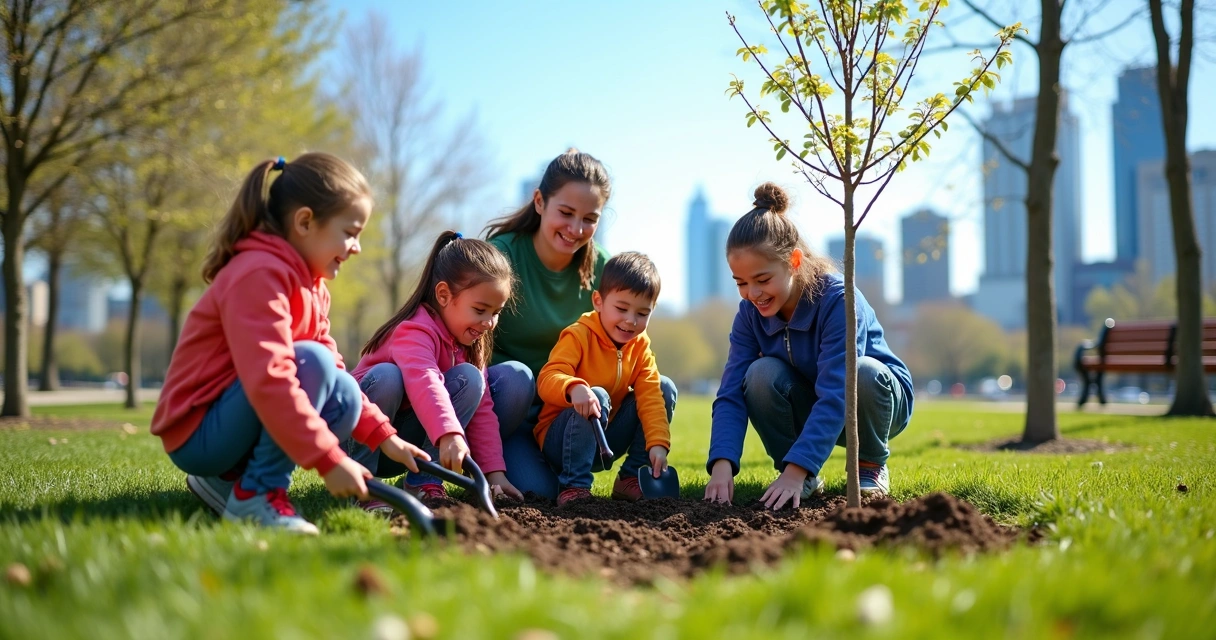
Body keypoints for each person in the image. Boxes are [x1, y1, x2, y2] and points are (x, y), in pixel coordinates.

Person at [151, 153, 429, 535]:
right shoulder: (258, 274)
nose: (357, 247)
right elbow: (272, 379)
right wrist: (329, 459)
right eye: (350, 232)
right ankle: (257, 495)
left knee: (345, 393)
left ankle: (228, 483)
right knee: (312, 362)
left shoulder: (313, 288)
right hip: (198, 433)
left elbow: (333, 369)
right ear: (305, 222)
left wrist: (385, 437)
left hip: (232, 421)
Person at [704, 183, 914, 510]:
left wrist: (798, 468)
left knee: (861, 371)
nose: (752, 293)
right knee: (759, 374)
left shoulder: (838, 300)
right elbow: (730, 392)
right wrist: (722, 465)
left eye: (762, 280)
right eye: (741, 283)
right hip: (812, 402)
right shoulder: (749, 314)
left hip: (873, 404)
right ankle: (800, 475)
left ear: (794, 261)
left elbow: (838, 391)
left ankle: (869, 464)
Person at [483, 149, 677, 499]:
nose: (576, 229)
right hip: (512, 409)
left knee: (661, 386)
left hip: (580, 413)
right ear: (539, 202)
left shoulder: (603, 269)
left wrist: (656, 440)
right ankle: (505, 459)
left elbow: (634, 348)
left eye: (589, 218)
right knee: (519, 381)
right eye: (566, 213)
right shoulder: (502, 257)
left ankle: (625, 478)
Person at [345, 231, 524, 514]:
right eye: (480, 309)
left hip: (405, 444)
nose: (489, 322)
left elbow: (482, 411)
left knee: (471, 379)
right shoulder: (414, 330)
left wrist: (494, 475)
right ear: (443, 295)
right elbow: (425, 381)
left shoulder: (469, 345)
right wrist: (449, 434)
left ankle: (425, 481)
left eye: (496, 312)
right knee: (388, 378)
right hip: (358, 436)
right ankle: (362, 485)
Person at [535, 252, 675, 506]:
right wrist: (573, 387)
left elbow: (651, 396)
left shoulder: (640, 346)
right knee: (596, 394)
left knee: (664, 386)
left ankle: (630, 477)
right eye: (621, 308)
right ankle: (574, 486)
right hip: (562, 440)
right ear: (598, 301)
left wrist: (657, 443)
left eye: (642, 313)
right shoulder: (578, 335)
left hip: (607, 436)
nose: (630, 320)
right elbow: (547, 378)